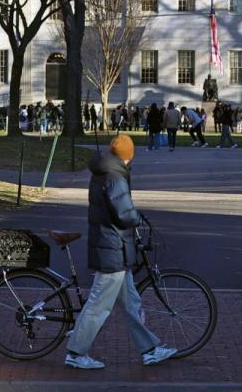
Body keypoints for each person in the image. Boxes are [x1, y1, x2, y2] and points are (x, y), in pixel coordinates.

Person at [64, 135, 178, 369]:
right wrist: (138, 217)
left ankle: (150, 349)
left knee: (131, 303)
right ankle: (76, 353)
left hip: (114, 248)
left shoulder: (103, 171)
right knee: (99, 305)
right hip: (112, 248)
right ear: (127, 156)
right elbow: (124, 213)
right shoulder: (115, 177)